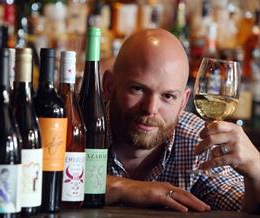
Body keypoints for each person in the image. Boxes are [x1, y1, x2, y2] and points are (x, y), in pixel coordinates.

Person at [102, 28, 260, 213]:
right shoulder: (74, 126)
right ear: (108, 86)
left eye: (168, 96)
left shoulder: (197, 141)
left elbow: (241, 206)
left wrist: (256, 171)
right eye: (137, 89)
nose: (150, 109)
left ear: (183, 102)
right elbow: (61, 182)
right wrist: (124, 188)